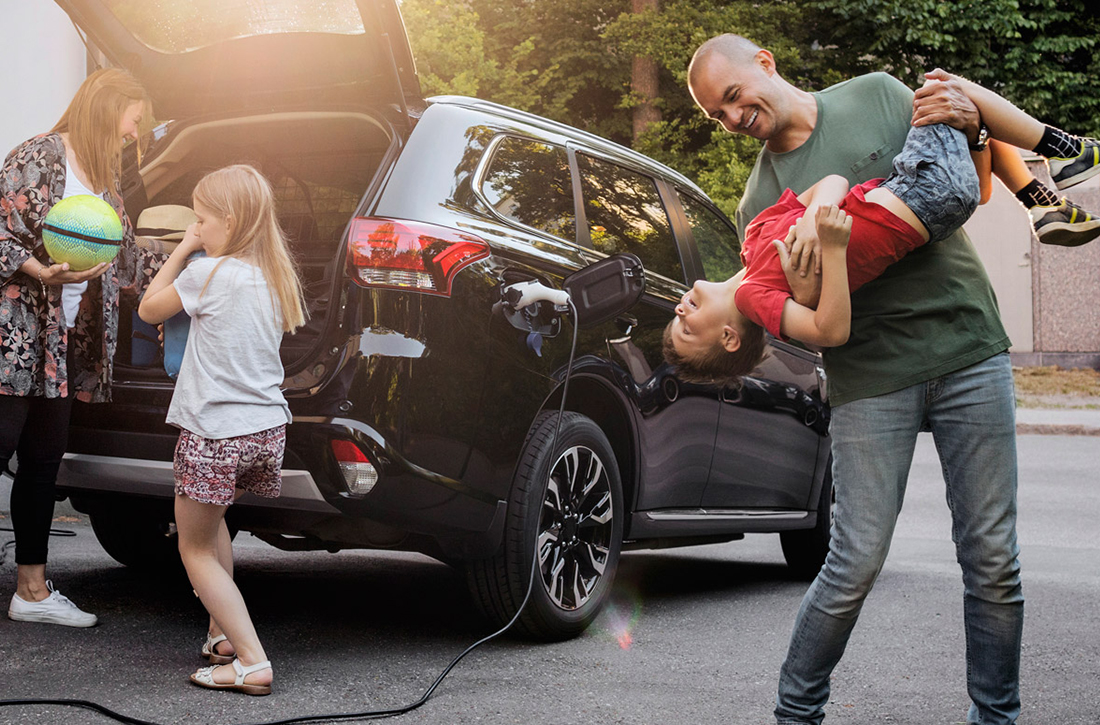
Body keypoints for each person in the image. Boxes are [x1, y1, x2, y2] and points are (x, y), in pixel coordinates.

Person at [686, 35, 1029, 725]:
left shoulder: (874, 93)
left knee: (993, 560)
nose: (730, 118)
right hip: (870, 373)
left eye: (731, 97)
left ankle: (997, 718)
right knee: (853, 561)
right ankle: (796, 710)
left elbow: (963, 176)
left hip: (966, 340)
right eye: (715, 116)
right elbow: (811, 312)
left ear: (765, 65)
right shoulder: (758, 199)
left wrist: (973, 123)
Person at [666, 72, 1099, 381]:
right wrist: (831, 250)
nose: (678, 310)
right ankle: (1062, 154)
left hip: (914, 185)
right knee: (942, 87)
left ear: (765, 63)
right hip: (925, 197)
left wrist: (818, 221)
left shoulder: (757, 237)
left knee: (949, 99)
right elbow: (830, 332)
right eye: (685, 328)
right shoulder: (754, 297)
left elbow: (833, 182)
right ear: (728, 338)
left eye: (733, 96)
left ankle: (1045, 199)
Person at [138, 164, 306, 695]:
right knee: (213, 530)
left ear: (229, 222)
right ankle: (222, 637)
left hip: (215, 432)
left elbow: (147, 309)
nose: (198, 228)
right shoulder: (274, 276)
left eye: (202, 220)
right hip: (264, 429)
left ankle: (252, 661)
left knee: (194, 549)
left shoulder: (208, 272)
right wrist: (198, 239)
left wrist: (183, 248)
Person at [1, 68, 160, 627]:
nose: (135, 135)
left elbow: (125, 258)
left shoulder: (105, 185)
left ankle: (33, 591)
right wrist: (39, 270)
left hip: (61, 342)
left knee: (43, 463)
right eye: (134, 120)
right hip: (13, 336)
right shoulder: (41, 155)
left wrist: (202, 260)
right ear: (106, 108)